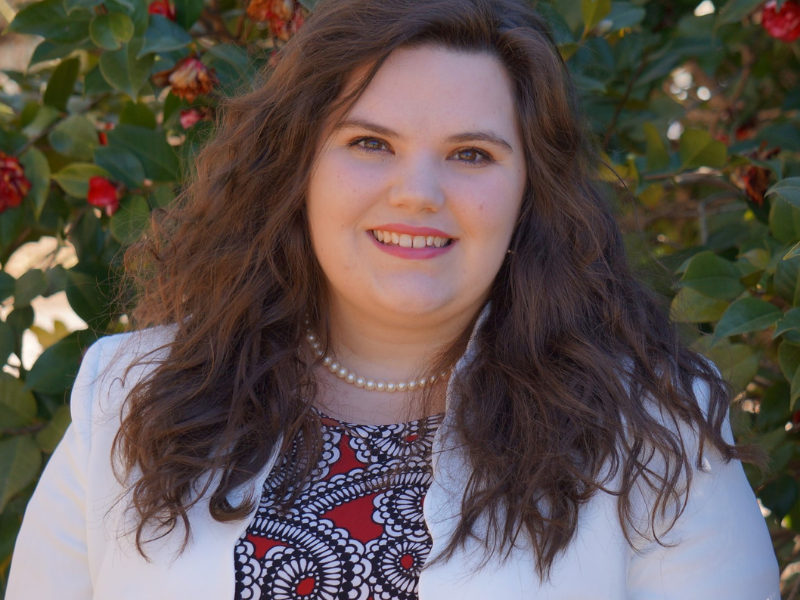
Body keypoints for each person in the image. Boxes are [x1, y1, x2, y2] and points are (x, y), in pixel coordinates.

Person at [6, 0, 781, 598]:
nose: (418, 194)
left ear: (529, 194)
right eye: (370, 143)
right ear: (300, 168)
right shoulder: (129, 399)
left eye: (471, 154)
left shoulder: (654, 434)